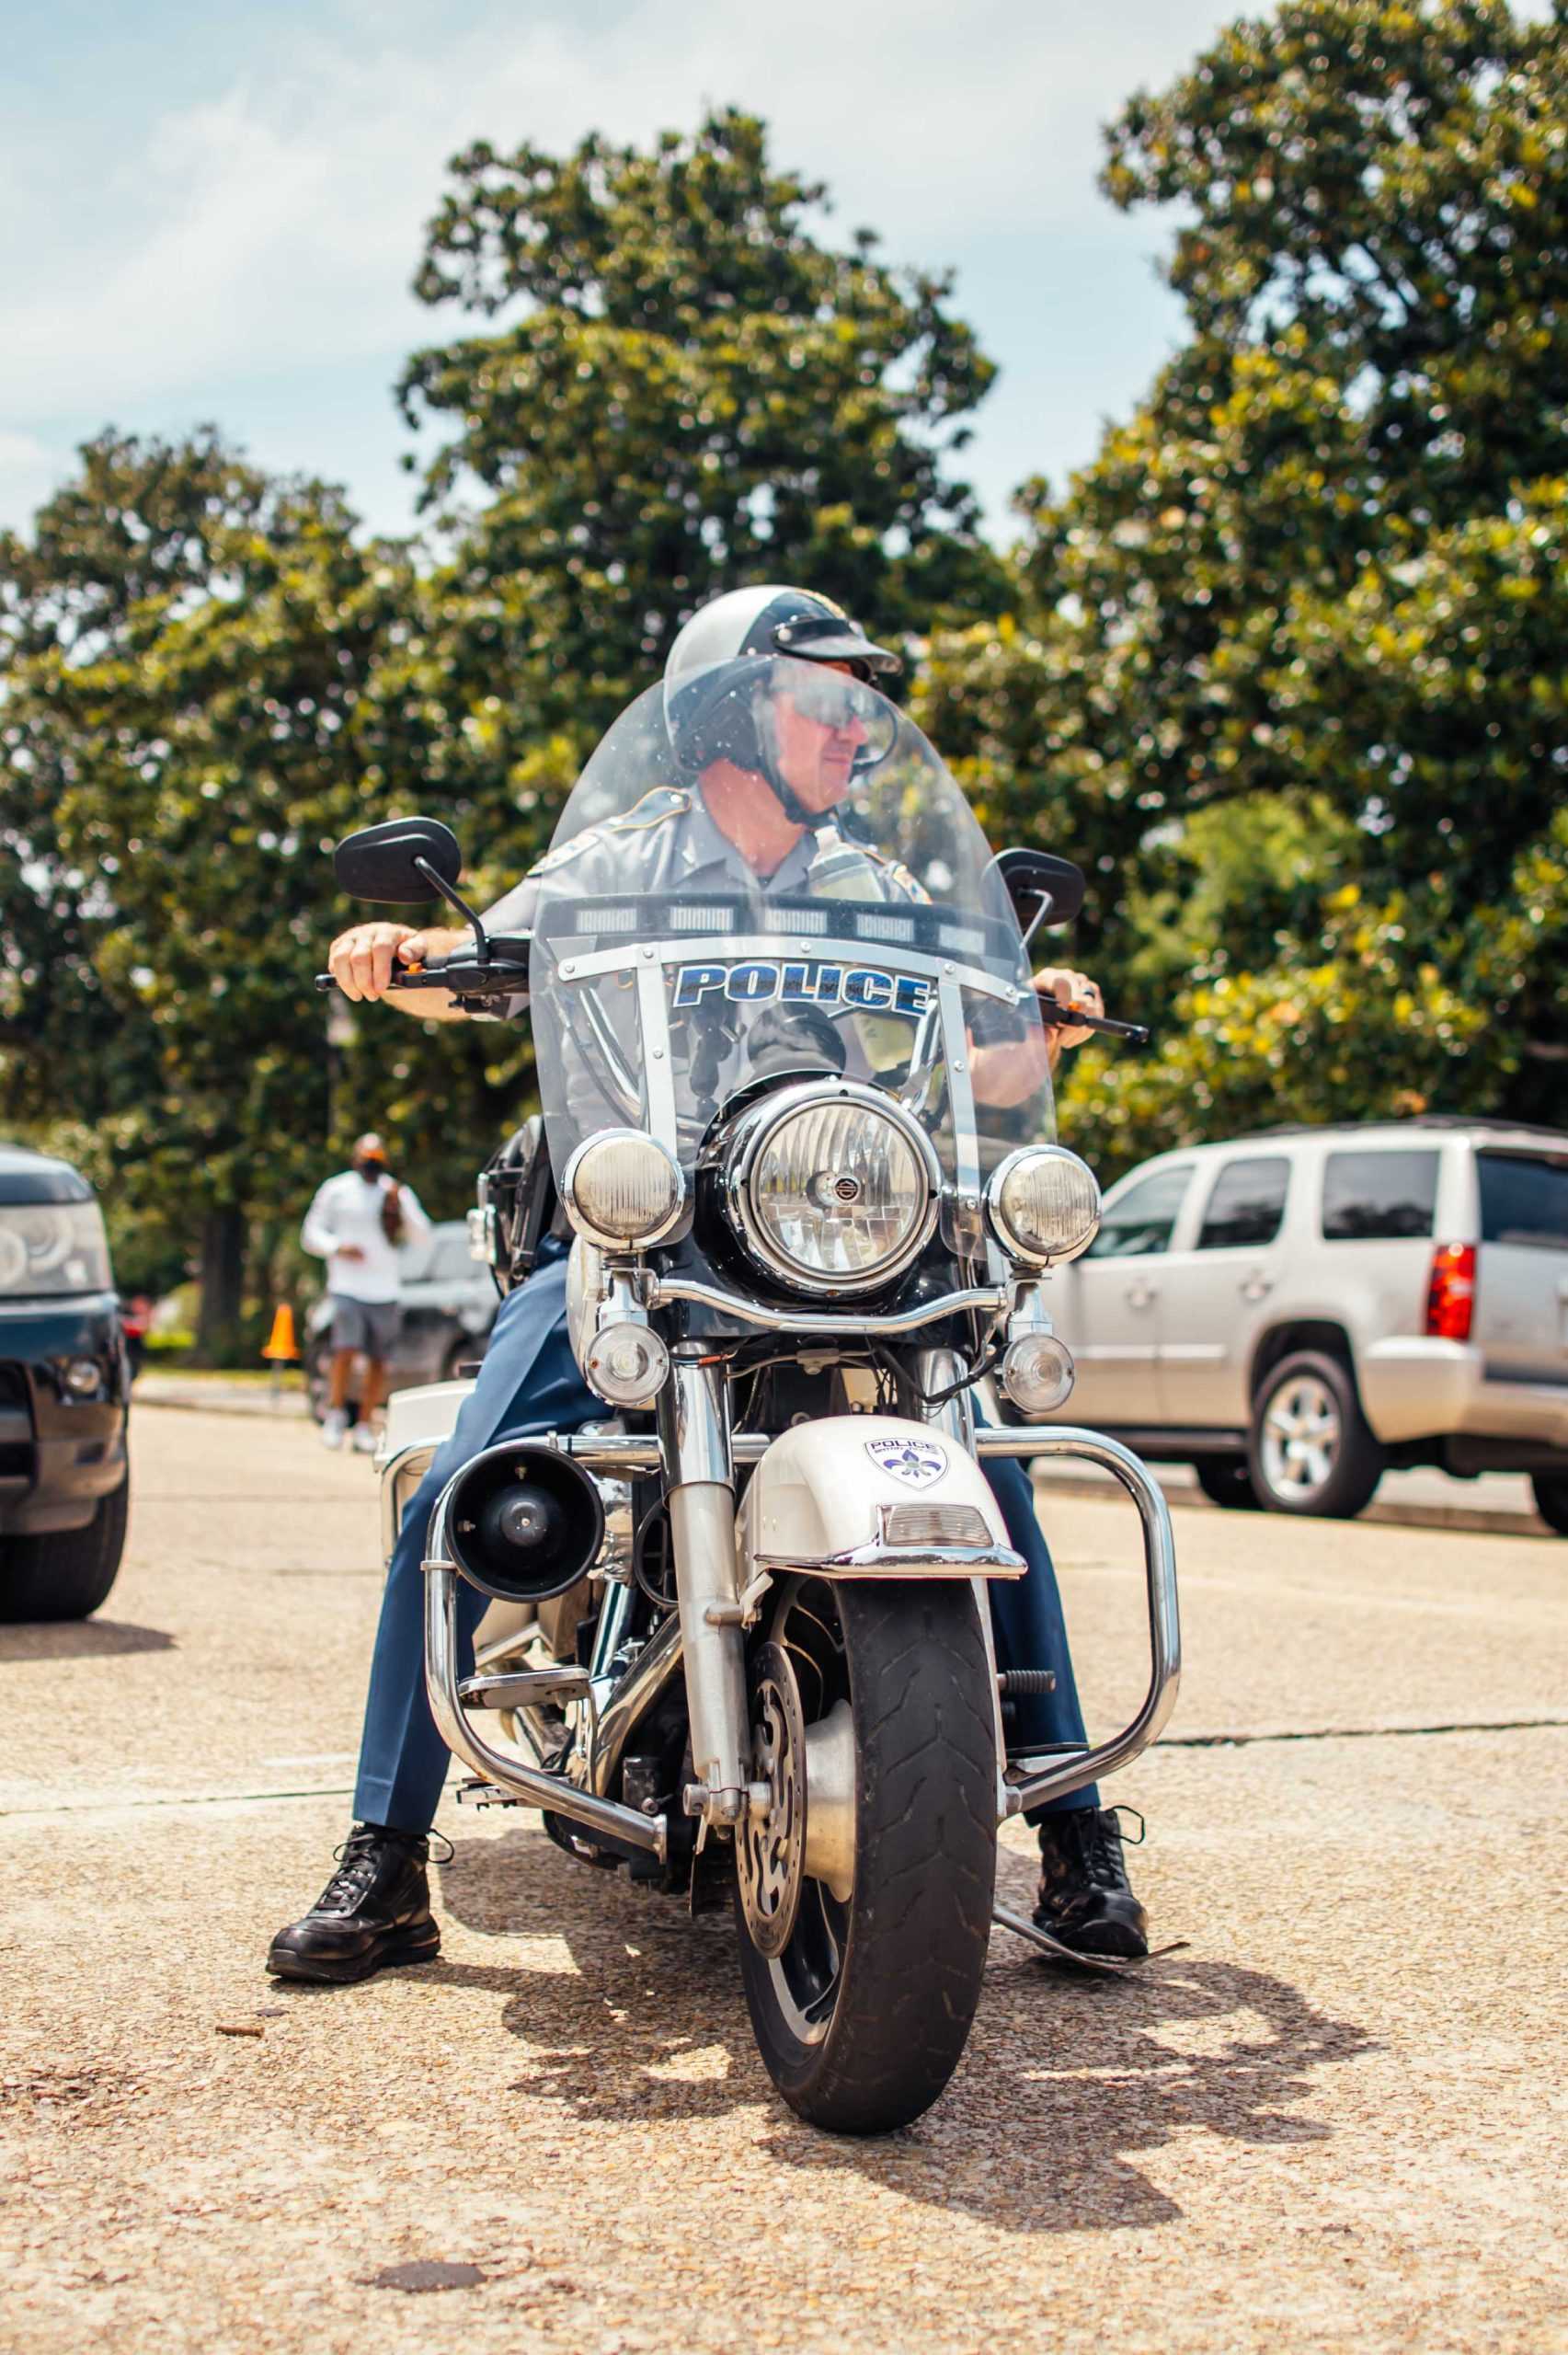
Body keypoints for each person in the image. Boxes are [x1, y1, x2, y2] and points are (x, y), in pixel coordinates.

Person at [269, 586, 1148, 1985]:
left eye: (866, 705)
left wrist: (1039, 1019)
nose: (857, 730)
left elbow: (981, 1068)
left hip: (831, 1236)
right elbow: (469, 972)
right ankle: (384, 1856)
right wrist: (397, 960)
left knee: (994, 1480)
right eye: (828, 700)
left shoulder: (875, 887)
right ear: (733, 711)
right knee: (458, 1493)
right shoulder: (616, 864)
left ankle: (1076, 1838)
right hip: (631, 1244)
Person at [300, 1134, 431, 1453]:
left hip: (384, 1289)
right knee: (344, 1350)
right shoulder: (337, 1190)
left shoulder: (395, 1192)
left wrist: (401, 1208)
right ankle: (335, 1415)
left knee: (378, 1360)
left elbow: (423, 1236)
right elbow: (310, 1233)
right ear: (355, 1159)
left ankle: (363, 1423)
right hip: (346, 1286)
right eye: (365, 1158)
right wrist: (337, 1247)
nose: (370, 1165)